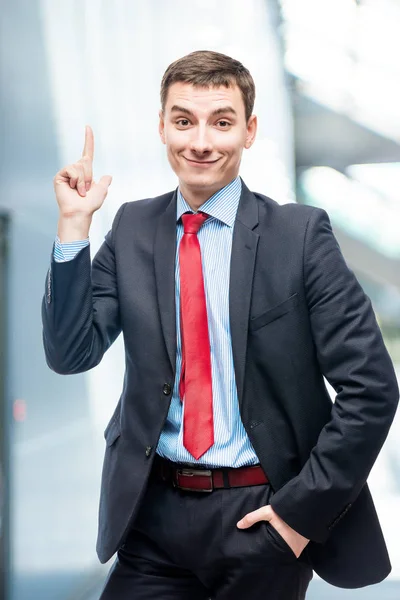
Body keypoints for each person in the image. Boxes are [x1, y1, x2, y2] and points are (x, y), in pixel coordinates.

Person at [41, 50, 399, 599]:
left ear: (249, 131)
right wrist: (73, 226)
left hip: (262, 514)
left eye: (222, 122)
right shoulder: (132, 228)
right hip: (152, 516)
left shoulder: (299, 238)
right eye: (184, 121)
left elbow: (371, 389)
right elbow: (71, 352)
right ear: (162, 126)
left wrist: (296, 516)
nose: (201, 141)